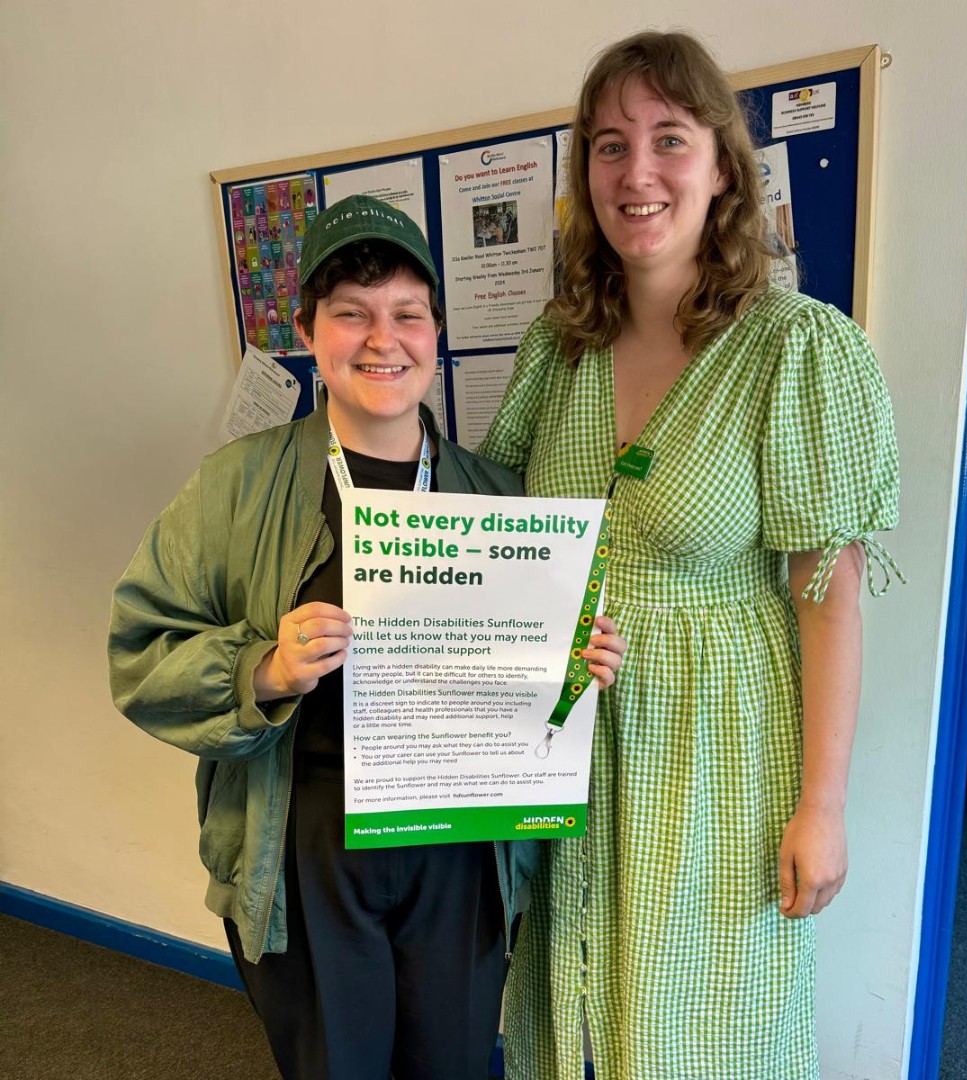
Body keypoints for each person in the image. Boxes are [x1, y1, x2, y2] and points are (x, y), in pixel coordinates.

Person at [108, 194, 625, 1080]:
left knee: (452, 1064)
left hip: (462, 846)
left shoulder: (498, 497)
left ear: (436, 334)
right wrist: (263, 669)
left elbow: (529, 706)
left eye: (406, 315)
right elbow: (140, 653)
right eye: (352, 314)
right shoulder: (237, 486)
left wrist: (576, 672)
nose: (383, 340)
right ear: (309, 331)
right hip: (307, 839)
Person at [479, 31, 902, 1080]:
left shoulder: (797, 349)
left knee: (703, 1032)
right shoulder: (557, 348)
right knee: (566, 1007)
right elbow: (493, 534)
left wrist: (825, 807)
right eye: (609, 146)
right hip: (570, 735)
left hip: (717, 751)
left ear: (722, 168)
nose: (638, 173)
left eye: (669, 139)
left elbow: (830, 596)